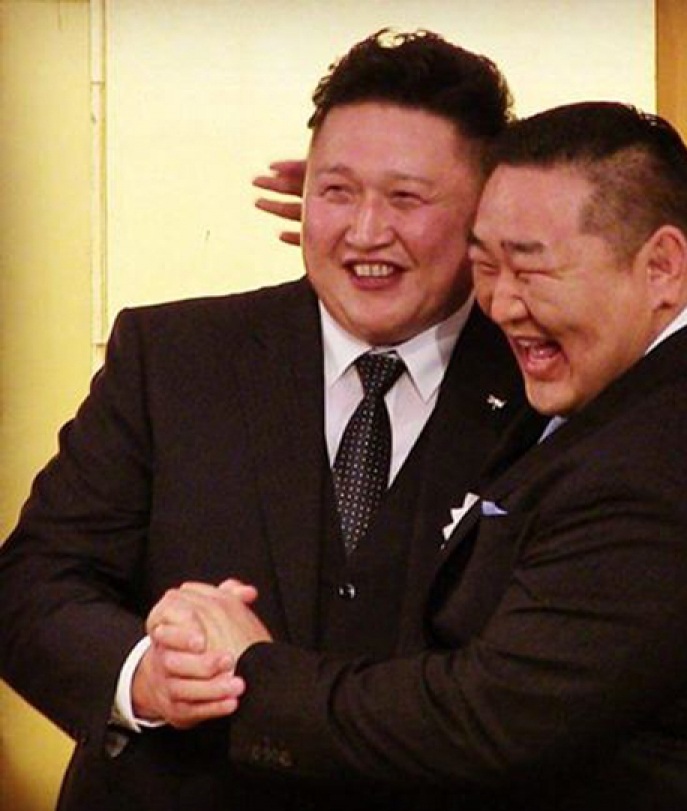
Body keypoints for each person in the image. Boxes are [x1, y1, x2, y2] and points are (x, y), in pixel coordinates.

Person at [146, 102, 687, 810]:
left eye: (530, 269)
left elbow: (481, 724)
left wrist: (256, 674)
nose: (499, 304)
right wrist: (386, 225)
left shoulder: (665, 470)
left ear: (662, 264)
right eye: (484, 262)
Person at [0, 30, 525, 811]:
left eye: (406, 198)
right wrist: (143, 674)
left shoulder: (545, 382)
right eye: (336, 191)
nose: (365, 232)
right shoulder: (171, 355)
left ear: (486, 214)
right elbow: (32, 583)